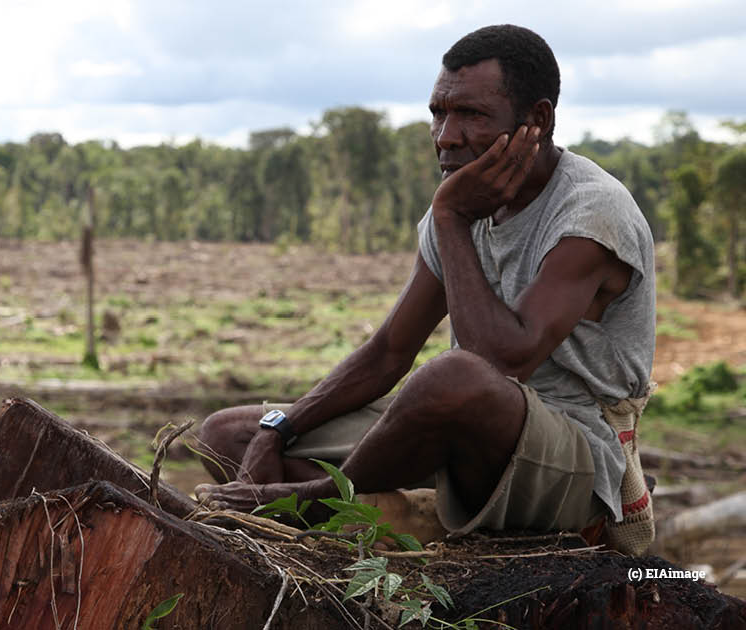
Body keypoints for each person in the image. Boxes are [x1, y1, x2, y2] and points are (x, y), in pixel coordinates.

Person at [194, 24, 656, 550]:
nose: (445, 136)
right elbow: (389, 351)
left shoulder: (590, 212)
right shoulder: (463, 204)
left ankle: (322, 498)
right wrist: (278, 427)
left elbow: (502, 363)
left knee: (454, 375)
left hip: (573, 457)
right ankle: (399, 518)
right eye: (439, 113)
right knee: (227, 434)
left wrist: (452, 218)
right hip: (464, 442)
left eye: (472, 115)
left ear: (538, 119)